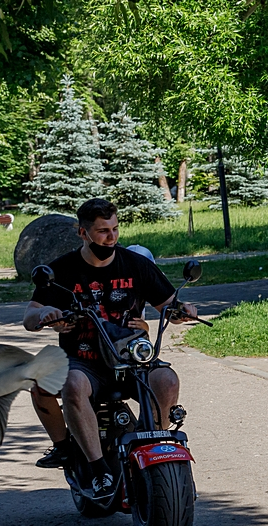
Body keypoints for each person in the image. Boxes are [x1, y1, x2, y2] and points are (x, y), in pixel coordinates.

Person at [23, 198, 199, 498]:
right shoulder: (62, 270)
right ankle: (95, 469)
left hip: (131, 359)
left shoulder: (136, 265)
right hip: (83, 360)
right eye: (103, 231)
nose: (112, 237)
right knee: (72, 384)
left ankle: (150, 449)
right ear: (83, 233)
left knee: (167, 380)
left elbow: (169, 305)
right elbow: (30, 316)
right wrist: (44, 315)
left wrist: (183, 309)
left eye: (115, 229)